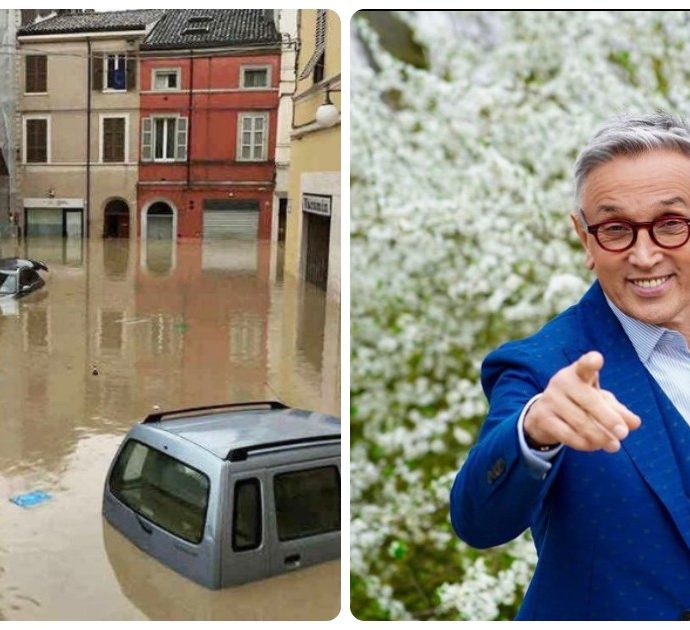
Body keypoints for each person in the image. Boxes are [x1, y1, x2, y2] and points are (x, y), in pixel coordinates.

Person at [450, 112, 690, 621]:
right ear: (584, 239)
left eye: (672, 224)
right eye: (616, 229)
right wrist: (534, 430)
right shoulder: (542, 365)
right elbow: (476, 519)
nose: (645, 255)